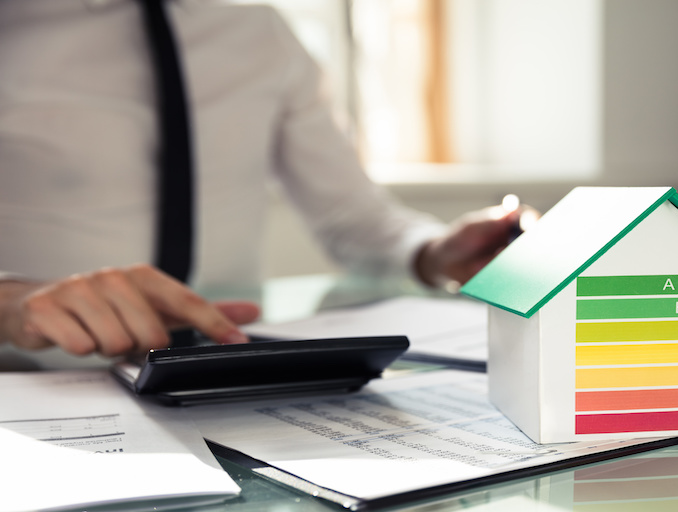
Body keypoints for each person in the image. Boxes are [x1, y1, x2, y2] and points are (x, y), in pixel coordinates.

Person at [0, 0, 521, 362]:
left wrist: (432, 252)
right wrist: (13, 303)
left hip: (234, 368)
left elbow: (351, 216)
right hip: (37, 381)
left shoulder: (261, 33)